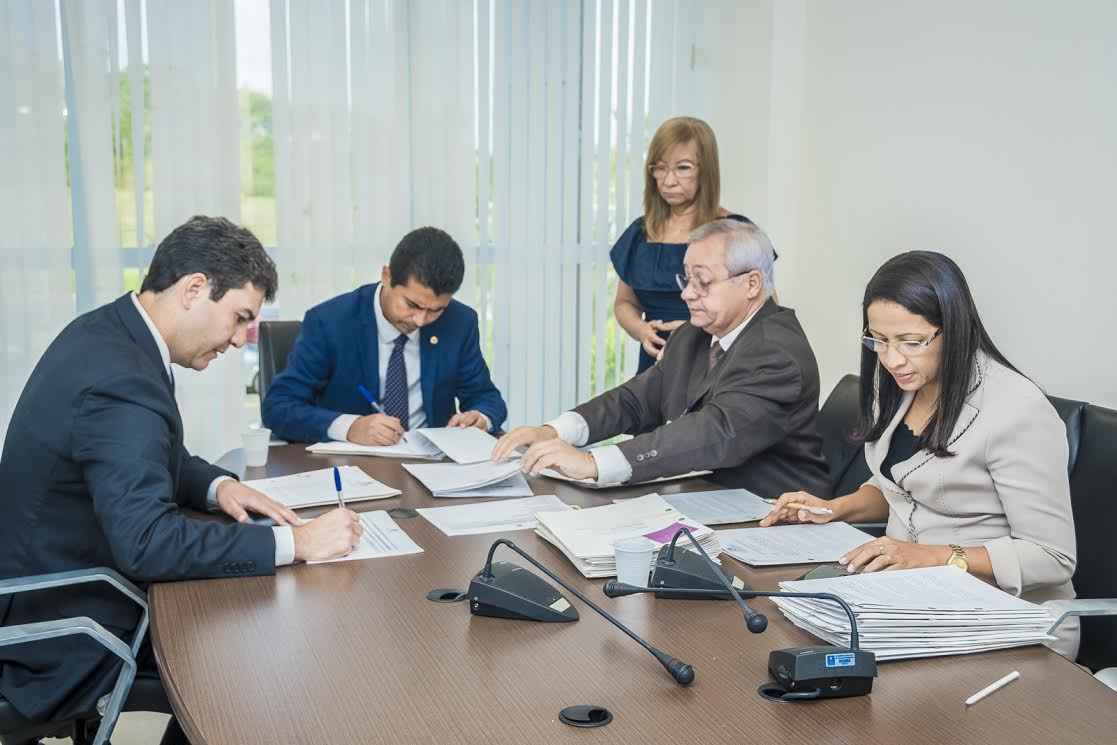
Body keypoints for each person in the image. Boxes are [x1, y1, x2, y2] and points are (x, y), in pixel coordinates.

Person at [0, 216, 362, 734]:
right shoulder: (122, 379)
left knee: (245, 629)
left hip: (47, 578)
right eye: (239, 318)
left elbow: (148, 456)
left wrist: (220, 485)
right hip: (62, 623)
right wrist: (295, 543)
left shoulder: (110, 333)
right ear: (195, 288)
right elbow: (146, 542)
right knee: (261, 663)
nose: (240, 341)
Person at [760, 250, 1078, 657]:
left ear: (956, 329)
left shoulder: (1017, 410)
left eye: (912, 342)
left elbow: (1052, 557)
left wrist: (928, 557)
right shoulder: (896, 383)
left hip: (1009, 619)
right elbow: (900, 485)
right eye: (879, 340)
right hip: (914, 604)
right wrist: (833, 508)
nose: (892, 358)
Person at [493, 219, 829, 498]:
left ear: (752, 283)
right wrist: (555, 431)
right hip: (705, 500)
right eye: (687, 279)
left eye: (703, 282)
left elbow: (713, 432)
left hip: (774, 516)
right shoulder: (694, 334)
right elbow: (636, 400)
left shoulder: (776, 351)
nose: (686, 294)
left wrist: (593, 463)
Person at [262, 227, 507, 444]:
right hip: (352, 467)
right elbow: (279, 406)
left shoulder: (459, 322)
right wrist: (350, 427)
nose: (421, 320)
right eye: (412, 304)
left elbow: (485, 397)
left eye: (436, 310)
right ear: (387, 277)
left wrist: (480, 418)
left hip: (432, 468)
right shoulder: (330, 322)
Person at [611, 117, 755, 373]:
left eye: (683, 168)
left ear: (706, 170)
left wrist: (698, 332)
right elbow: (624, 303)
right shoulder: (639, 234)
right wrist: (642, 330)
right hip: (655, 365)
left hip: (714, 366)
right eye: (660, 168)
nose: (668, 181)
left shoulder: (734, 233)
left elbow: (761, 312)